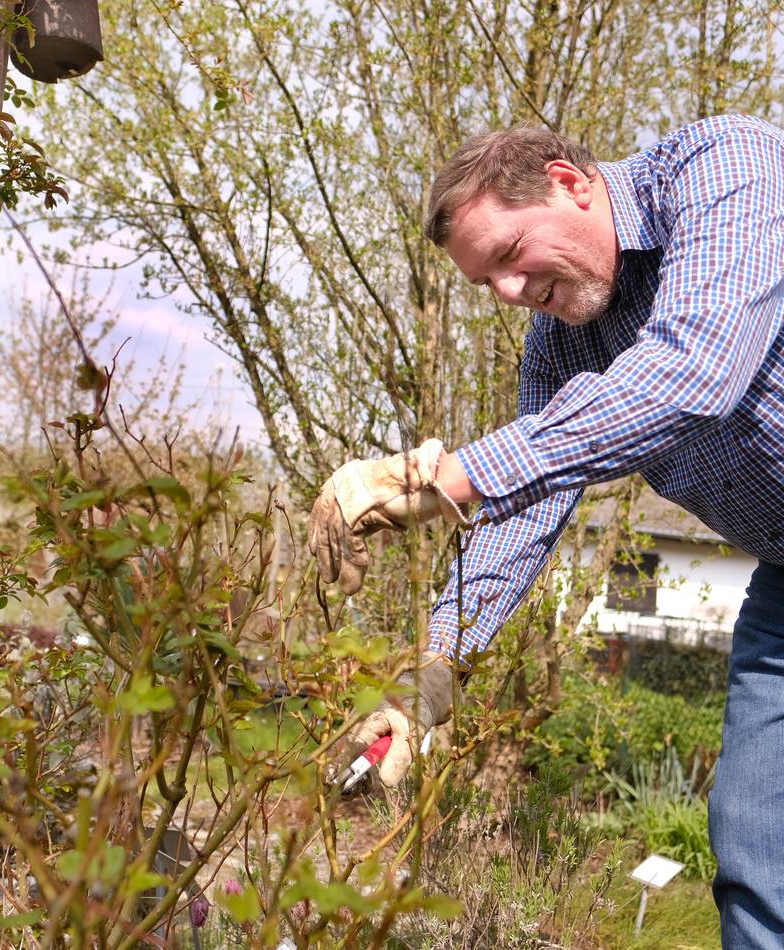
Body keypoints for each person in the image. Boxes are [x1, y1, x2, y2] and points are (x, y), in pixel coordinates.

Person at [307, 114, 783, 947]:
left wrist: (445, 477)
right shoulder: (561, 347)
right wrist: (434, 670)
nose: (510, 292)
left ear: (569, 182)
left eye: (509, 254)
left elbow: (696, 366)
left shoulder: (724, 170)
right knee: (753, 846)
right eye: (485, 280)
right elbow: (523, 502)